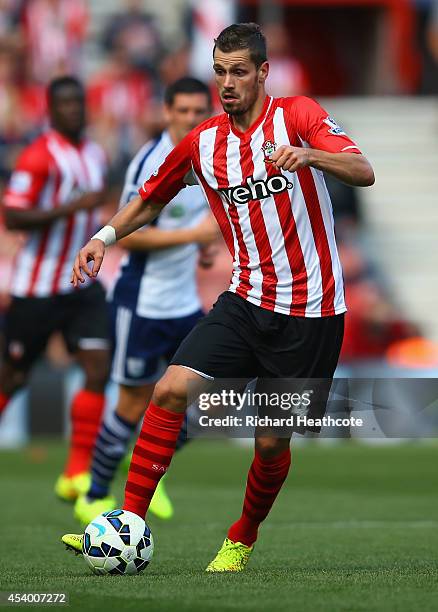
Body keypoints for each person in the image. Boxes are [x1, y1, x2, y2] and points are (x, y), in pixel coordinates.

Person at [63, 23, 374, 572]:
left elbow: (362, 170)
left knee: (272, 443)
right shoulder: (204, 142)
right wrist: (102, 239)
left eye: (238, 72)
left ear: (262, 73)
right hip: (245, 299)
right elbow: (149, 199)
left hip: (312, 313)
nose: (228, 83)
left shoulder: (298, 115)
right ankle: (129, 521)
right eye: (220, 72)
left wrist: (309, 157)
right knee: (169, 389)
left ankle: (242, 535)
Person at [73, 76, 220, 526]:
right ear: (166, 112)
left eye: (200, 111)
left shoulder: (207, 152)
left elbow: (202, 212)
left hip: (183, 302)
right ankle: (94, 495)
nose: (192, 119)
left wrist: (202, 246)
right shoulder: (150, 162)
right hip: (142, 303)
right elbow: (128, 237)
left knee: (207, 397)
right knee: (132, 403)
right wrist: (193, 236)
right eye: (183, 111)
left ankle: (143, 469)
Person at [0, 76, 111, 501]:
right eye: (64, 104)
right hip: (37, 287)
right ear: (51, 110)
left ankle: (76, 473)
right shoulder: (37, 157)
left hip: (81, 284)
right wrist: (70, 207)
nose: (74, 110)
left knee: (98, 367)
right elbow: (12, 217)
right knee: (13, 377)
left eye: (78, 102)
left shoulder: (96, 153)